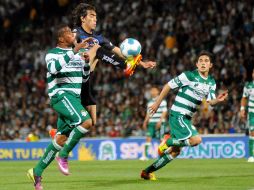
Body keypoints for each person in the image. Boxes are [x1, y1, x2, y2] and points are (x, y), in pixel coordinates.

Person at [140, 50, 228, 180]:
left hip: (186, 118)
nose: (203, 63)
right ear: (197, 64)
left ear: (211, 65)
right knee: (196, 140)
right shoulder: (189, 76)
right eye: (201, 61)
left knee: (175, 151)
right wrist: (157, 103)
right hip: (178, 114)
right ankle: (167, 140)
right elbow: (168, 86)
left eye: (206, 61)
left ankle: (146, 172)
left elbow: (210, 102)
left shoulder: (211, 82)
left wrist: (218, 100)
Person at [27, 25, 94, 190]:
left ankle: (37, 171)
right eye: (68, 32)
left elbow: (84, 78)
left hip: (74, 98)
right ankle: (63, 156)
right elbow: (52, 68)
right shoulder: (52, 54)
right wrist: (75, 50)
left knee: (61, 139)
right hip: (61, 95)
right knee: (86, 122)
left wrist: (86, 63)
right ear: (61, 39)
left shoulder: (77, 54)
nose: (73, 33)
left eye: (73, 31)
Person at [140, 87, 168, 161]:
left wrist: (160, 121)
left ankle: (162, 156)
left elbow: (164, 112)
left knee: (161, 139)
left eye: (154, 90)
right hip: (151, 123)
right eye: (151, 91)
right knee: (148, 138)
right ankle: (145, 156)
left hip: (160, 123)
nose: (152, 92)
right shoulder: (149, 102)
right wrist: (145, 121)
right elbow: (149, 113)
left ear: (158, 92)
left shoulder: (162, 101)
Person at [240, 68, 254, 162]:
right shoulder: (248, 85)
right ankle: (251, 155)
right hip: (252, 112)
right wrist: (242, 109)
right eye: (253, 72)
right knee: (252, 132)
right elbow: (244, 98)